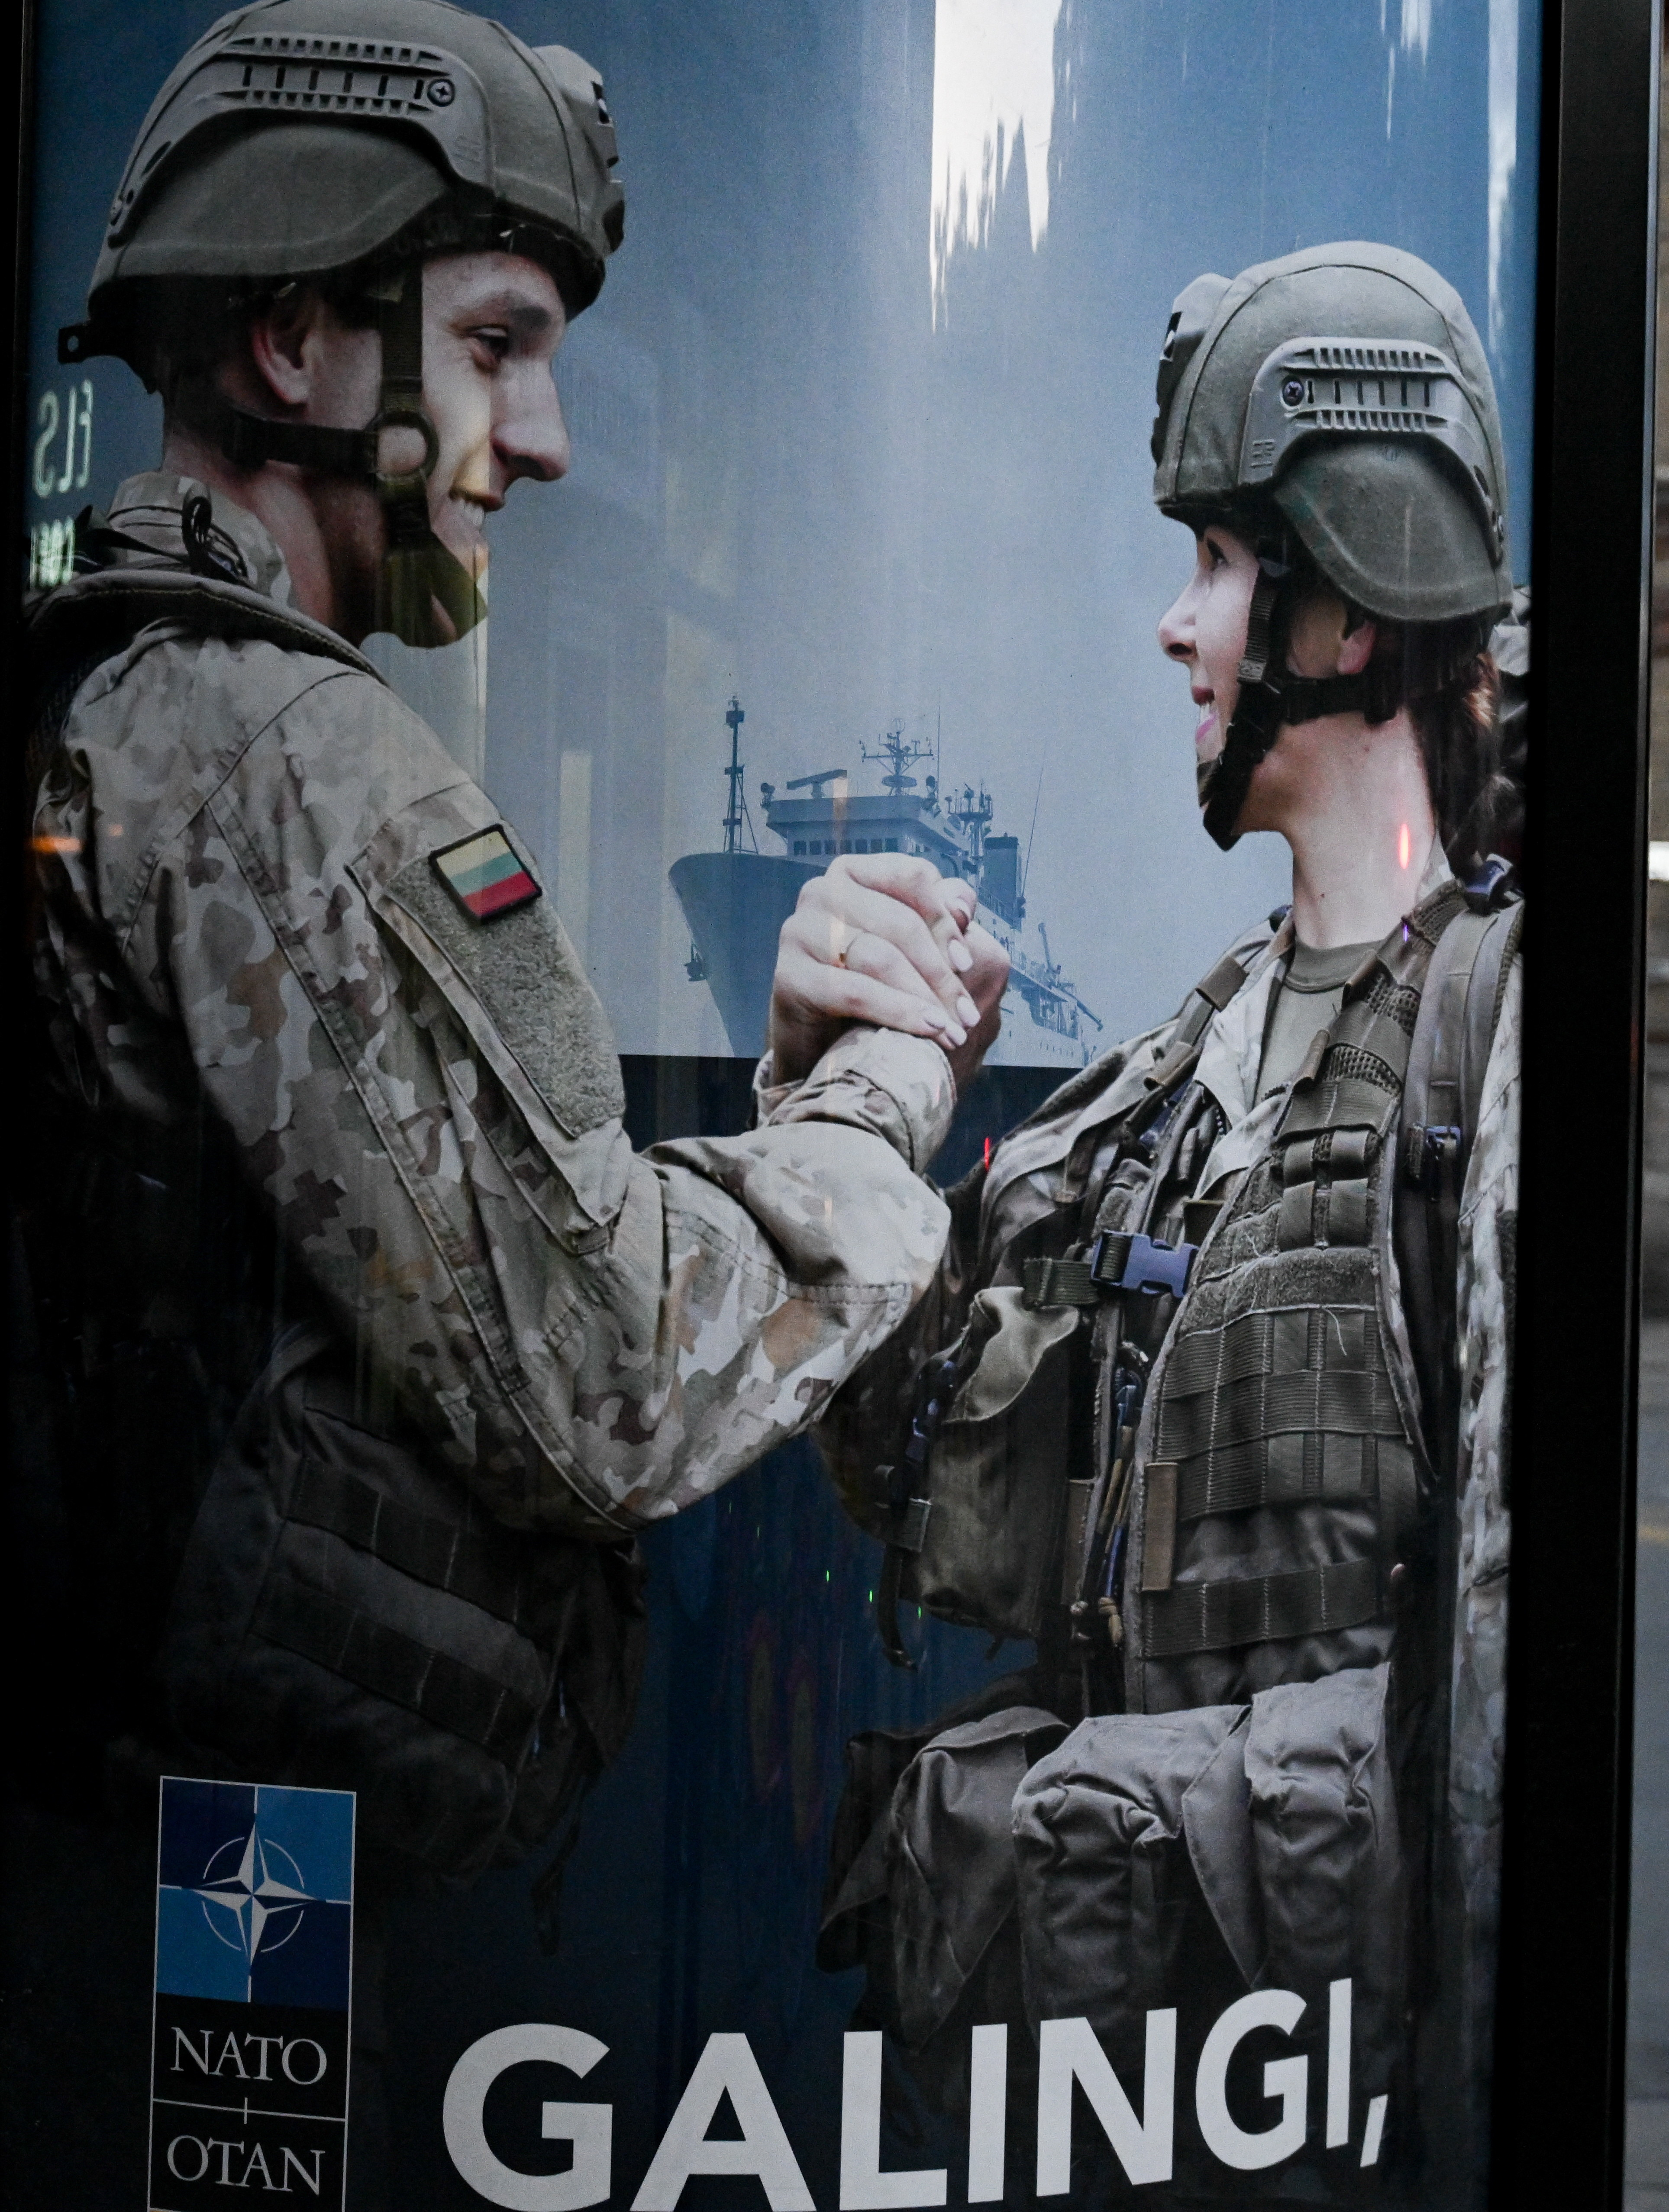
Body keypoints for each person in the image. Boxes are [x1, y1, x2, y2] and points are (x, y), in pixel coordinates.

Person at [13, 3, 1007, 2189]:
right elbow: (618, 1378)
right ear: (294, 339)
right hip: (217, 1853)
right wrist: (876, 1091)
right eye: (494, 343)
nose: (541, 437)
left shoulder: (118, 712)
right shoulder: (286, 758)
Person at [770, 242, 1521, 2201]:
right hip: (1125, 2081)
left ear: (1344, 604)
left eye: (1212, 563)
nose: (1174, 631)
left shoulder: (1486, 1039)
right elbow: (924, 1480)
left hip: (1320, 2104)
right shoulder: (1179, 1076)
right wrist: (822, 1095)